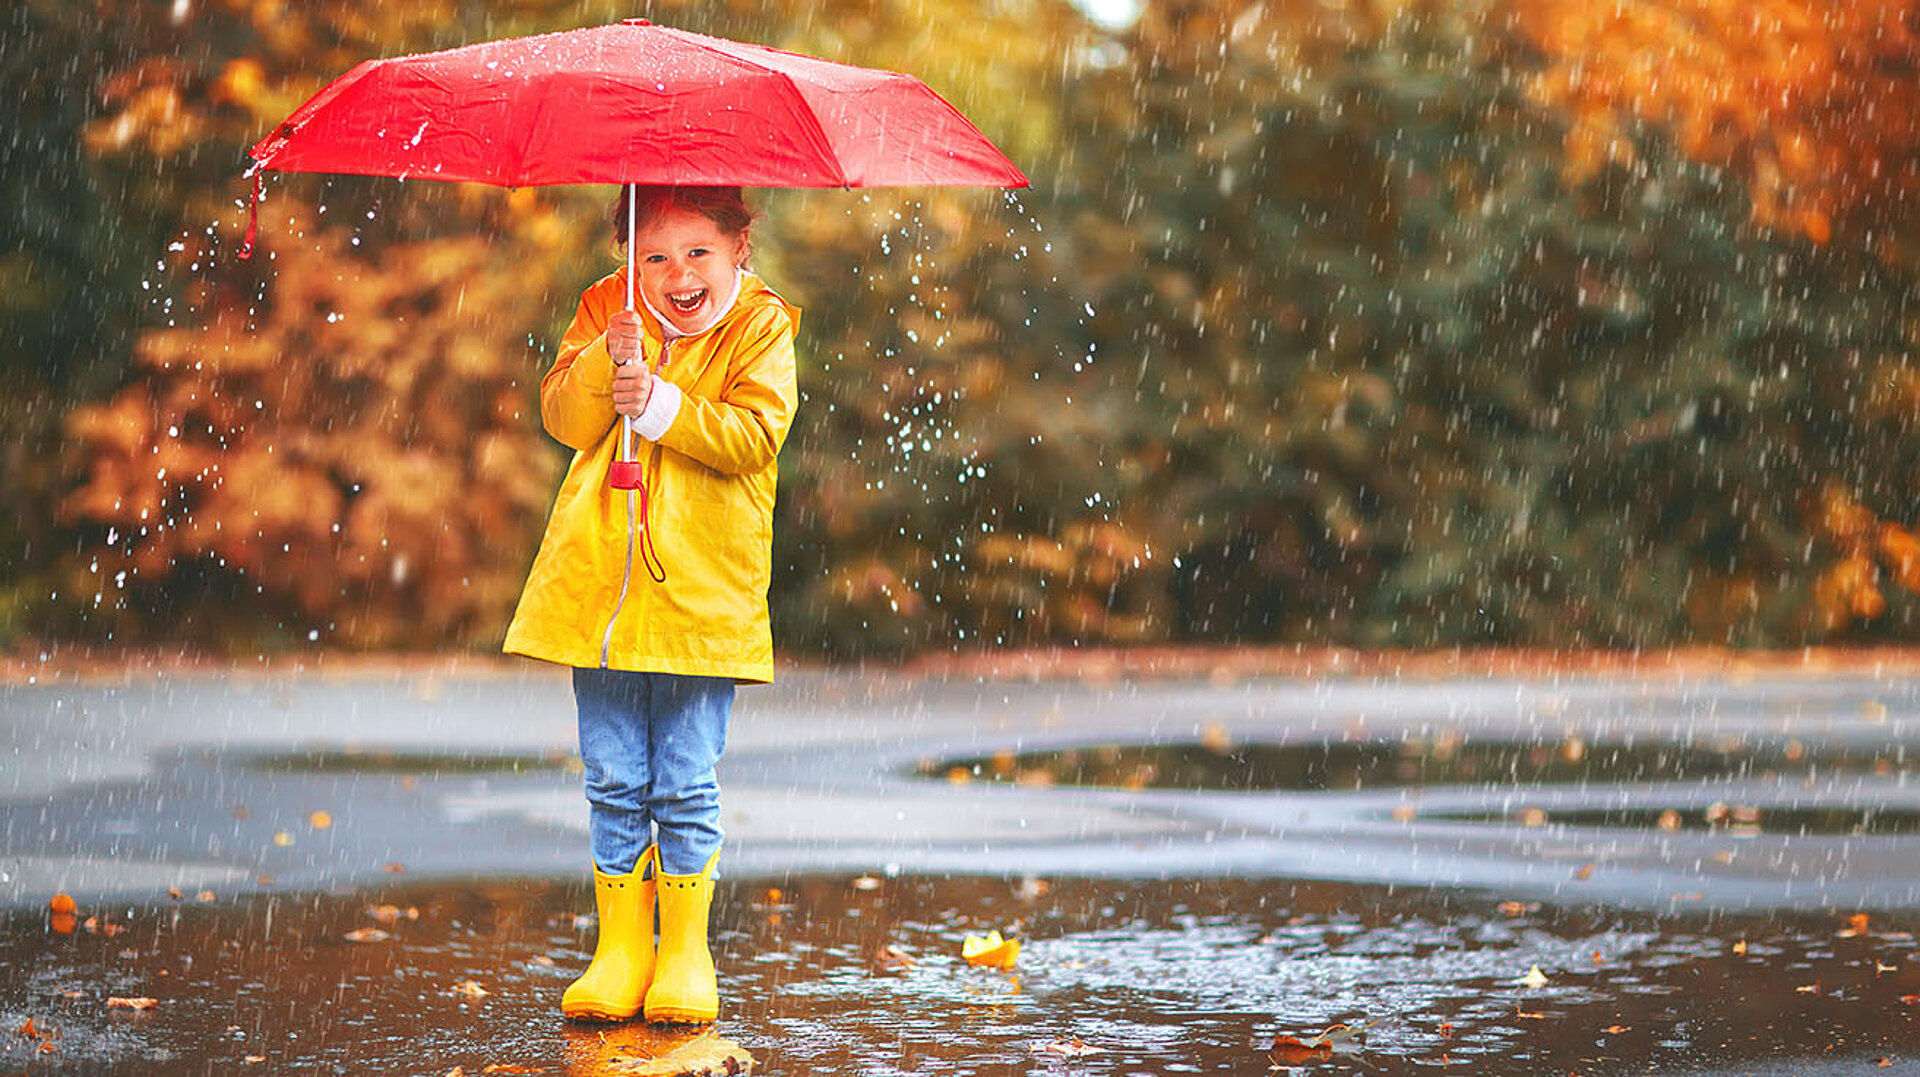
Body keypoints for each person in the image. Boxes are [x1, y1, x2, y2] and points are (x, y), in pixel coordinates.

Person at [503, 185, 800, 1024]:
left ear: (740, 244)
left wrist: (660, 403)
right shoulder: (608, 304)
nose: (677, 274)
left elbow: (753, 438)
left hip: (700, 591)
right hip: (602, 583)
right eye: (654, 256)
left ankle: (684, 949)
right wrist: (607, 356)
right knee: (613, 776)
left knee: (683, 780)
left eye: (698, 251)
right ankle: (621, 947)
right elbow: (563, 417)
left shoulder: (763, 326)